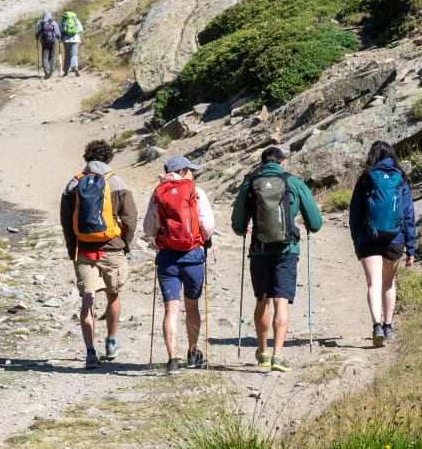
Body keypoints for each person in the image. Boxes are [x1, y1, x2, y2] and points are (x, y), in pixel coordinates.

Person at [231, 146, 322, 372]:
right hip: (287, 251)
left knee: (262, 301)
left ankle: (262, 352)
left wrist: (246, 227)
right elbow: (316, 223)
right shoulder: (295, 183)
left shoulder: (250, 184)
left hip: (260, 251)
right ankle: (278, 356)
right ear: (283, 163)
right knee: (282, 301)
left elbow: (237, 226)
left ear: (262, 164)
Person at [60, 139, 138, 369]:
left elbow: (66, 221)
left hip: (84, 250)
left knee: (88, 300)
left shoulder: (73, 184)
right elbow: (131, 218)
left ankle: (90, 352)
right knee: (113, 296)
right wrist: (125, 243)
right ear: (108, 159)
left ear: (87, 158)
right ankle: (111, 343)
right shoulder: (117, 182)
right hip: (113, 248)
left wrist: (72, 248)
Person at [143, 155, 214, 374]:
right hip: (192, 256)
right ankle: (192, 353)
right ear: (182, 171)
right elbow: (207, 225)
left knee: (170, 309)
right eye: (190, 170)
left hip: (167, 258)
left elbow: (148, 229)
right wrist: (203, 239)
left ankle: (172, 359)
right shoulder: (196, 191)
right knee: (192, 306)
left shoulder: (158, 193)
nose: (193, 174)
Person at [349, 140, 415, 347]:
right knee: (388, 283)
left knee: (373, 283)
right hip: (394, 239)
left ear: (372, 156)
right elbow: (408, 214)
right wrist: (411, 247)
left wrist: (356, 239)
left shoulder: (366, 178)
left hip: (368, 238)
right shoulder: (400, 179)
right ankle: (388, 325)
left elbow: (355, 213)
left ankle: (376, 325)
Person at [35, 11, 61, 79]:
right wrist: (58, 38)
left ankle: (46, 70)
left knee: (45, 56)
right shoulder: (53, 23)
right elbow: (58, 33)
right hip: (53, 41)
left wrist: (37, 38)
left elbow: (37, 34)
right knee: (51, 56)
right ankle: (51, 71)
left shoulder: (41, 23)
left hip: (44, 42)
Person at [59, 10, 84, 77]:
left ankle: (66, 71)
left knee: (67, 55)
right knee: (74, 54)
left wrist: (62, 36)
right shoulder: (75, 19)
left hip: (66, 40)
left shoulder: (63, 20)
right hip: (75, 39)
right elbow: (81, 29)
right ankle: (75, 67)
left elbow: (60, 30)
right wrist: (75, 31)